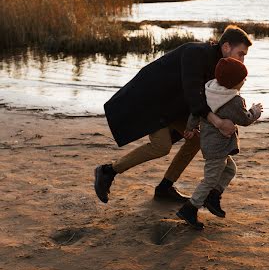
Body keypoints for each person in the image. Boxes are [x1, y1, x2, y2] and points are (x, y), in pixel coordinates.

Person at [94, 26, 252, 204]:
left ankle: (165, 187)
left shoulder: (221, 66)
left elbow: (212, 99)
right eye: (241, 54)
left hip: (173, 106)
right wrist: (217, 122)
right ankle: (108, 171)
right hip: (151, 100)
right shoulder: (196, 53)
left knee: (197, 140)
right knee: (161, 146)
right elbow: (193, 94)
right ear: (226, 47)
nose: (242, 60)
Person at [176, 57, 263, 229]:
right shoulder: (234, 101)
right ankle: (190, 208)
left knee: (230, 169)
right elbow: (244, 119)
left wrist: (190, 127)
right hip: (218, 147)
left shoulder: (209, 90)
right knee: (209, 179)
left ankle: (213, 196)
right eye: (242, 79)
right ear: (234, 83)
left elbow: (197, 111)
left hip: (209, 143)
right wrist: (255, 111)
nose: (245, 81)